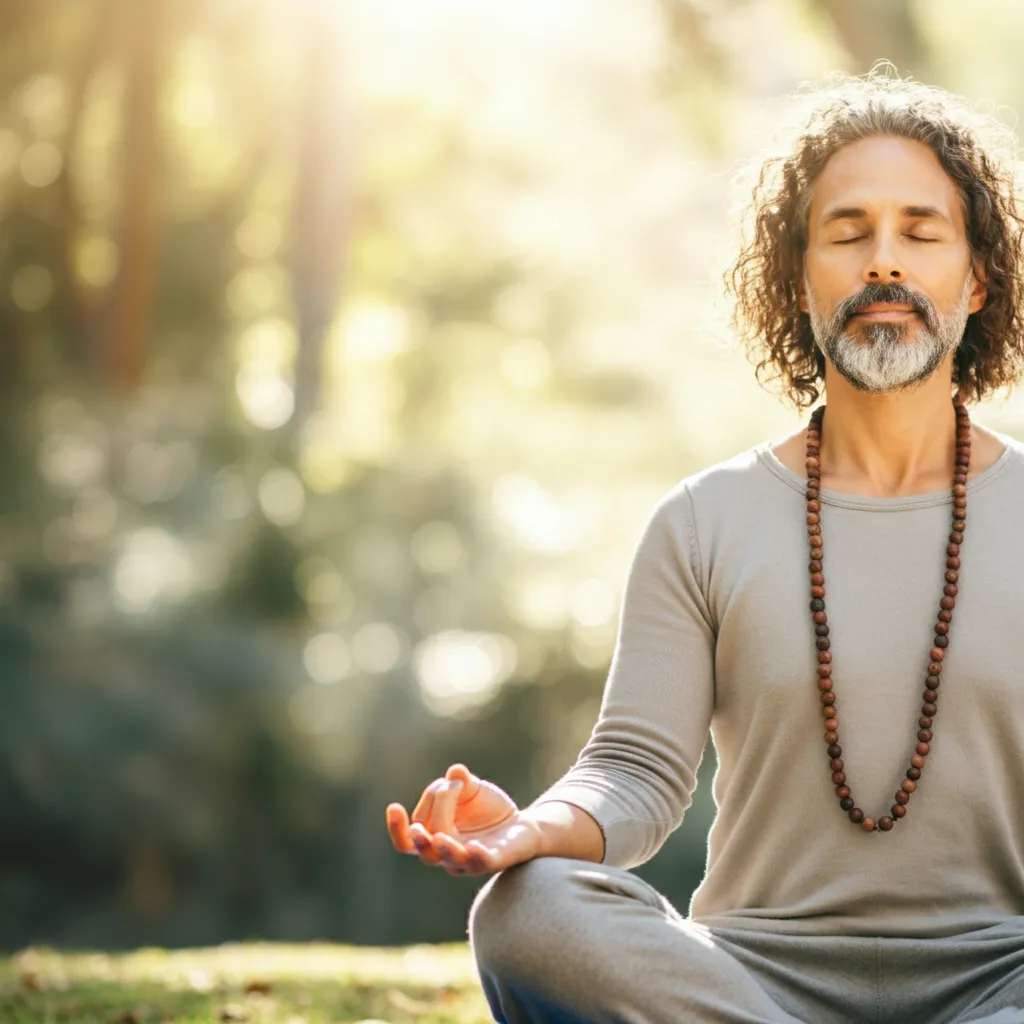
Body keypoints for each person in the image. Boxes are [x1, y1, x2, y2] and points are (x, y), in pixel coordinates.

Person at [385, 70, 1024, 1023]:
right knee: (530, 907)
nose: (883, 263)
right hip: (749, 989)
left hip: (999, 984)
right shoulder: (703, 521)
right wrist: (531, 828)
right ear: (798, 275)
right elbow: (634, 775)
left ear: (976, 278)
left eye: (920, 233)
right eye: (847, 234)